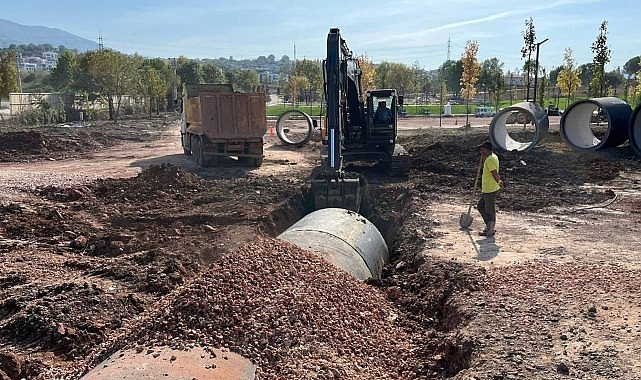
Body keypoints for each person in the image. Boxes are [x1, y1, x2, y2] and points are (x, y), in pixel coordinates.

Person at [476, 141, 504, 237]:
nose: (481, 151)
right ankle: (489, 225)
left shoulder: (490, 160)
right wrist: (483, 157)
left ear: (487, 149)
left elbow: (494, 173)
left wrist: (498, 181)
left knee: (489, 210)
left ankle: (490, 227)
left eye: (483, 149)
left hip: (490, 189)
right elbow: (487, 165)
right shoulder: (492, 157)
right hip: (488, 188)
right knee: (480, 206)